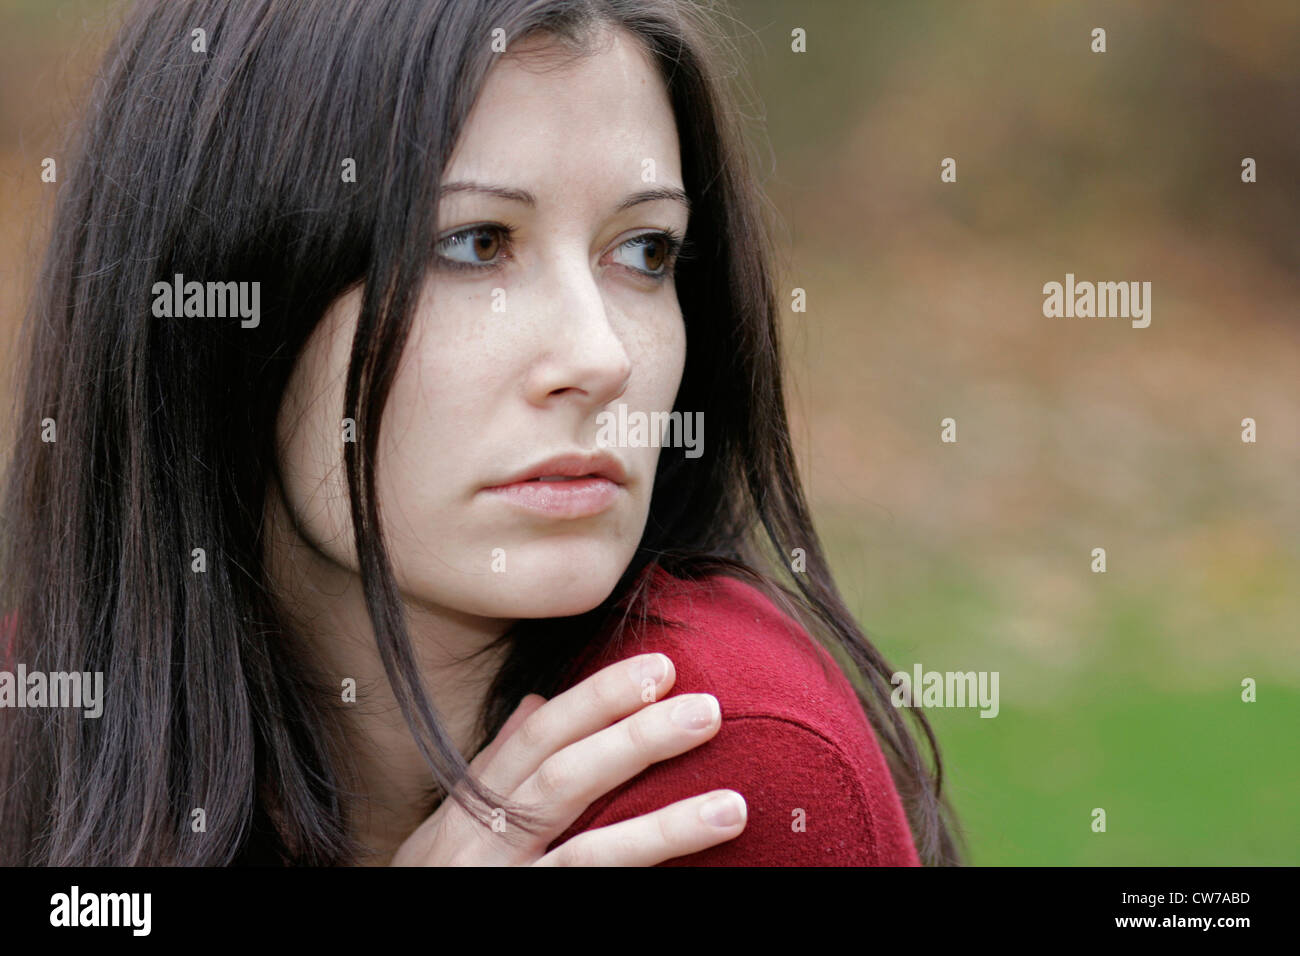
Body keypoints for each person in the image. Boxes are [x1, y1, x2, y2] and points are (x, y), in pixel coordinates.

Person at [0, 0, 962, 866]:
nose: (601, 357)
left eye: (644, 250)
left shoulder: (709, 759)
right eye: (475, 243)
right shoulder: (42, 710)